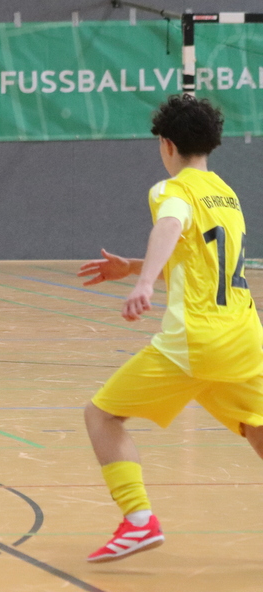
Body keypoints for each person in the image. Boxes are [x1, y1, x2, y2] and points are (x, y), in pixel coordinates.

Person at [77, 94, 263, 562]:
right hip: (244, 337)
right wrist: (133, 267)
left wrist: (143, 281)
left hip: (196, 340)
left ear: (167, 144)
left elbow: (170, 225)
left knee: (101, 416)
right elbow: (199, 266)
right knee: (257, 428)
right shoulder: (227, 194)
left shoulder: (171, 189)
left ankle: (138, 521)